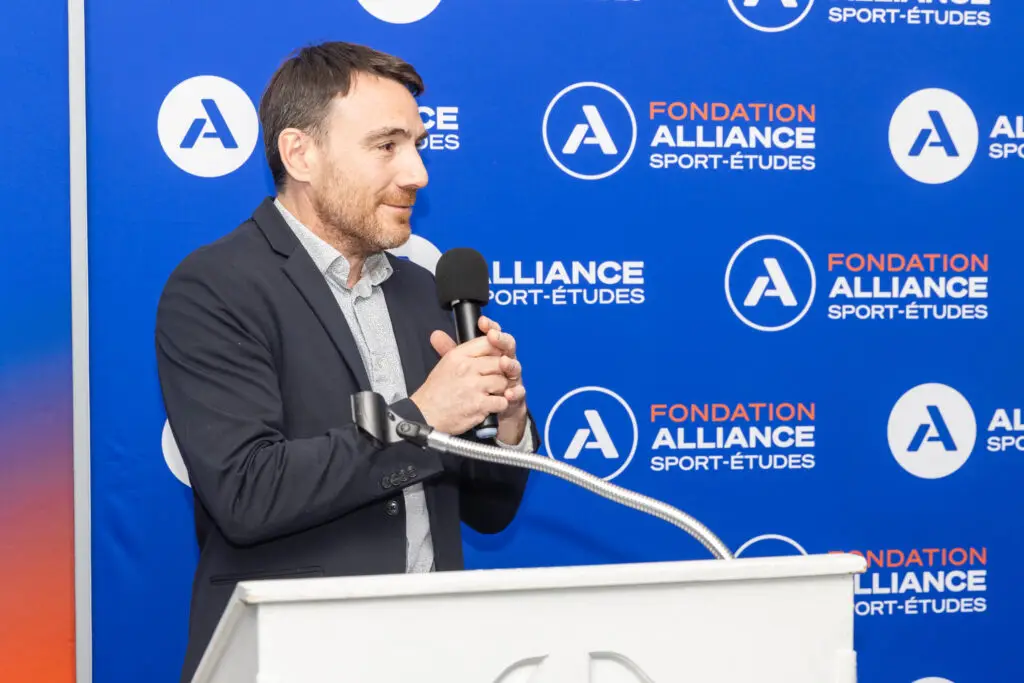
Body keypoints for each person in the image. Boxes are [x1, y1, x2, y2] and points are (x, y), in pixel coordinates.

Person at [154, 41, 539, 683]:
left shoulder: (427, 292)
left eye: (418, 143)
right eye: (386, 146)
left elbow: (487, 512)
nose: (417, 172)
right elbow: (248, 494)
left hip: (438, 653)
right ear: (300, 153)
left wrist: (506, 426)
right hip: (292, 656)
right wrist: (422, 415)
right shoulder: (216, 287)